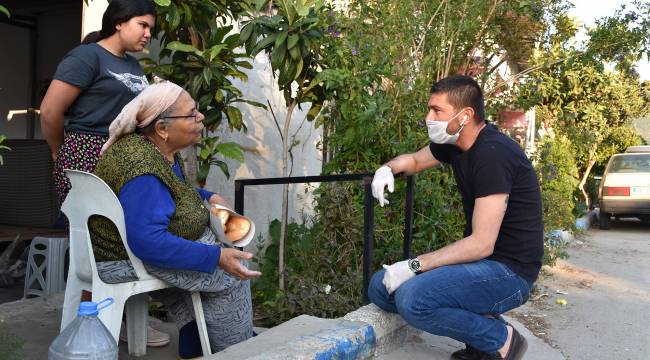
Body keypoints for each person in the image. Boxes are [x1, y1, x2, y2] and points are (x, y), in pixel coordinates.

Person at [368, 75, 543, 360]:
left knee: (412, 300)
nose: (428, 117)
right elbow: (412, 161)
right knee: (381, 287)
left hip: (510, 272)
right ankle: (484, 331)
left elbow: (482, 244)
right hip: (481, 264)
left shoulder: (493, 155)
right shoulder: (455, 143)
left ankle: (501, 340)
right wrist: (386, 169)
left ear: (465, 115)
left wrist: (413, 266)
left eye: (437, 111)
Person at [39, 0, 180, 347]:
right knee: (102, 244)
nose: (149, 33)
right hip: (86, 156)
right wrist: (60, 152)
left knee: (137, 232)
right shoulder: (86, 58)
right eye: (142, 25)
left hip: (122, 156)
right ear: (119, 22)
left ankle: (126, 318)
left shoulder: (132, 65)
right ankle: (105, 319)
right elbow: (50, 112)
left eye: (151, 27)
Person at [89, 80, 261, 358]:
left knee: (215, 254)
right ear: (162, 128)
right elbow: (147, 241)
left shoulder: (153, 149)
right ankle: (235, 348)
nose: (201, 117)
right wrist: (215, 257)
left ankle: (196, 339)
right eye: (192, 114)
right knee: (231, 271)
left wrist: (208, 195)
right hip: (124, 257)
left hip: (123, 247)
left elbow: (171, 191)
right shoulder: (143, 170)